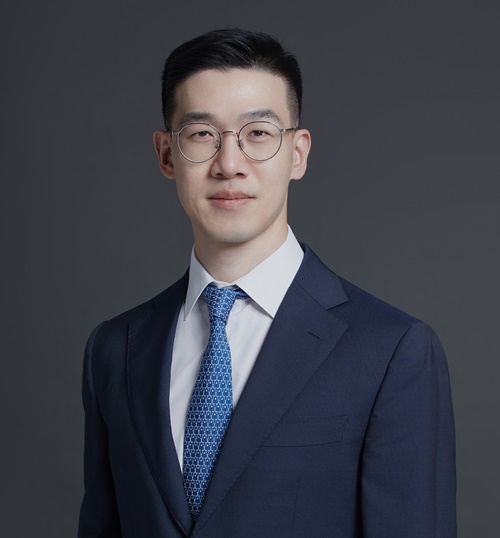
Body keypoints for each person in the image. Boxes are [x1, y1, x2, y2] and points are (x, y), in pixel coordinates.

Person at [78, 28, 456, 538]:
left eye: (258, 133)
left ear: (297, 153)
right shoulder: (114, 349)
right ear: (167, 154)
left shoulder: (391, 350)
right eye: (202, 135)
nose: (229, 165)